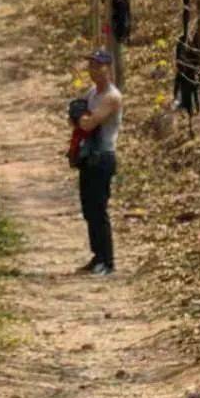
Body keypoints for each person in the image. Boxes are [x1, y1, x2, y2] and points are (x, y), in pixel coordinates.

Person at [74, 49, 123, 277]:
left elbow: (88, 123)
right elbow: (78, 114)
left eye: (98, 65)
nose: (94, 70)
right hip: (88, 157)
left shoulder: (112, 97)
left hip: (103, 157)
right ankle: (96, 256)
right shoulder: (92, 92)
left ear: (108, 68)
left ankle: (108, 259)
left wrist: (81, 117)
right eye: (91, 65)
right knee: (89, 209)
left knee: (99, 209)